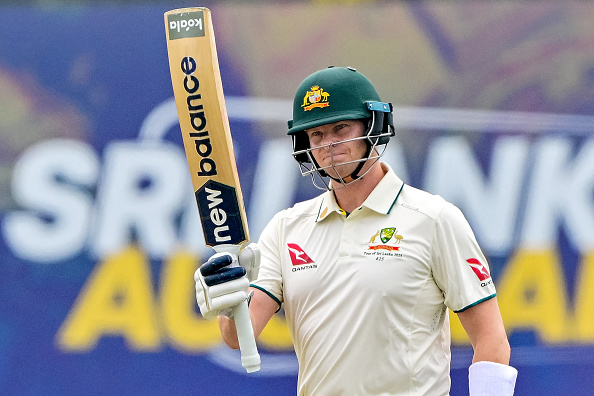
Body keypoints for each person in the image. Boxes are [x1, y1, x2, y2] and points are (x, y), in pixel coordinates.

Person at [194, 66, 518, 395]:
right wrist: (228, 299)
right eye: (316, 134)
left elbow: (491, 338)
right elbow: (237, 337)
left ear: (374, 126)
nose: (328, 144)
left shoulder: (434, 219)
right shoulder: (286, 228)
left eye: (340, 128)